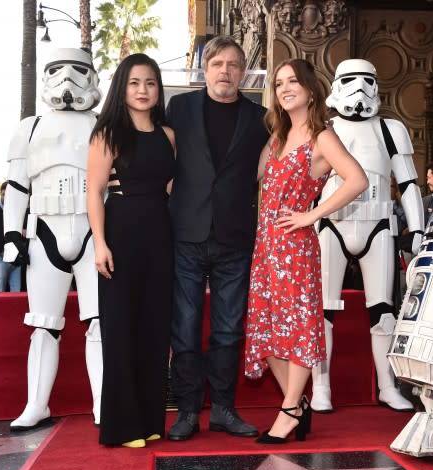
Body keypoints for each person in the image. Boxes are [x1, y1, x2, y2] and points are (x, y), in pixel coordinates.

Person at [245, 58, 369, 443]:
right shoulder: (277, 137)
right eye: (279, 83)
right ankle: (296, 405)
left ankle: (288, 412)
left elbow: (358, 179)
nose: (284, 89)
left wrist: (311, 215)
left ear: (312, 89)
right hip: (266, 248)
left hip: (295, 248)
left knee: (297, 330)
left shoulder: (322, 136)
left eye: (293, 82)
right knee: (266, 334)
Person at [166, 36, 269, 441]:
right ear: (205, 69)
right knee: (186, 325)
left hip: (235, 237)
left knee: (228, 327)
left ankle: (224, 409)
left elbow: (271, 167)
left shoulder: (260, 117)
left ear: (243, 72)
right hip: (186, 234)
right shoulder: (180, 108)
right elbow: (163, 159)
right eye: (217, 64)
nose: (225, 71)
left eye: (233, 64)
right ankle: (189, 411)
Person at [310, 59, 425, 413]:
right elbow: (307, 182)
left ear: (377, 86)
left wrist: (418, 228)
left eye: (367, 80)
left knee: (383, 312)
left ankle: (387, 386)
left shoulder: (391, 129)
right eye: (350, 80)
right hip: (331, 223)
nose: (359, 88)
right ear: (337, 85)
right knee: (324, 311)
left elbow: (407, 183)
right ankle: (320, 386)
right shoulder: (324, 129)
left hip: (378, 225)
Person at [3, 48, 103, 431]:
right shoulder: (28, 128)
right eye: (57, 70)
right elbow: (16, 185)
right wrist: (13, 233)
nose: (67, 78)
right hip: (44, 231)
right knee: (44, 324)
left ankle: (102, 404)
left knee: (99, 323)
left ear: (91, 77)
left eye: (78, 70)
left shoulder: (103, 125)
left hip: (94, 230)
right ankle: (36, 403)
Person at [87, 54, 175, 448]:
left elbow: (171, 188)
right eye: (135, 82)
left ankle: (151, 419)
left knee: (156, 329)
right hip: (120, 235)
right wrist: (100, 243)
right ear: (122, 87)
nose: (143, 90)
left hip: (160, 235)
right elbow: (94, 191)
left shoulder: (169, 136)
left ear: (159, 90)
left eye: (151, 83)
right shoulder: (107, 133)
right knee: (121, 328)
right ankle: (123, 427)